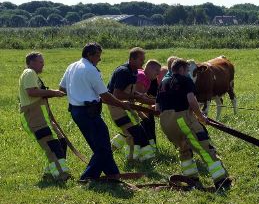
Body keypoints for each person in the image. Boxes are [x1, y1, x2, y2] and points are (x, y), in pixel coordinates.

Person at [156, 58, 233, 190]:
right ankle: (222, 181)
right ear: (181, 69)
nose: (188, 73)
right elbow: (192, 100)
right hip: (182, 120)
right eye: (186, 70)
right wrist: (200, 116)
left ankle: (191, 179)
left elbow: (157, 107)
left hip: (165, 123)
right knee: (204, 147)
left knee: (184, 149)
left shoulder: (163, 83)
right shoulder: (185, 80)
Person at [59, 42, 131, 181]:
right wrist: (122, 104)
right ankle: (88, 177)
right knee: (103, 146)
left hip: (76, 111)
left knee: (99, 144)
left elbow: (62, 89)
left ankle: (112, 173)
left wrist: (78, 93)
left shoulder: (71, 66)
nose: (100, 59)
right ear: (89, 55)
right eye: (97, 55)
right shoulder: (90, 70)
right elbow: (105, 96)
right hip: (89, 112)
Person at [19, 52, 70, 181]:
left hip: (42, 117)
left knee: (61, 142)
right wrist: (53, 92)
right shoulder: (29, 73)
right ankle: (61, 175)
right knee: (52, 145)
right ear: (31, 62)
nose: (43, 64)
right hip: (35, 117)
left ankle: (50, 173)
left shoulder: (32, 74)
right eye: (40, 62)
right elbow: (32, 92)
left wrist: (54, 93)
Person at [107, 47, 156, 161]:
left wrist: (139, 95)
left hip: (127, 106)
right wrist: (134, 96)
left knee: (134, 132)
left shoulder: (133, 71)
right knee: (133, 134)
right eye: (141, 60)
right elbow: (117, 94)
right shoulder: (123, 72)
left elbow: (128, 90)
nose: (143, 62)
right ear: (132, 59)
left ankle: (112, 150)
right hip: (117, 106)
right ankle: (133, 160)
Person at [135, 59, 162, 149]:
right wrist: (156, 102)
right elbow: (138, 98)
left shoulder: (147, 78)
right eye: (156, 71)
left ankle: (151, 146)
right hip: (129, 106)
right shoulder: (142, 76)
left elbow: (143, 96)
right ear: (150, 69)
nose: (158, 74)